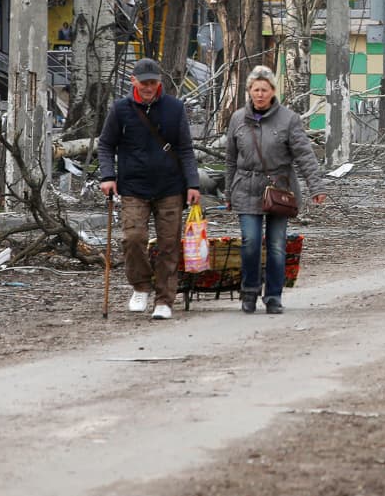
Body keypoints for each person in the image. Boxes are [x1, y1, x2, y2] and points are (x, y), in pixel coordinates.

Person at [97, 57, 201, 321]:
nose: (148, 87)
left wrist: (193, 183)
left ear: (159, 82)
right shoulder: (120, 109)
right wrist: (108, 176)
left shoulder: (175, 108)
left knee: (168, 245)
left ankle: (164, 300)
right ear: (133, 81)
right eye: (143, 83)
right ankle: (141, 285)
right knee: (132, 239)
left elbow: (185, 149)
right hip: (133, 187)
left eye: (152, 83)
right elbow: (106, 145)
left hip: (170, 187)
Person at [224, 65, 326, 314]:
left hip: (280, 189)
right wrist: (228, 194)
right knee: (250, 241)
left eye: (265, 89)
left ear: (272, 91)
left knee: (277, 245)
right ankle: (249, 292)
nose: (259, 94)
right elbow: (229, 159)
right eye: (255, 89)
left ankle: (273, 296)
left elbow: (304, 155)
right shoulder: (238, 119)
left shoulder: (288, 119)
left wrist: (316, 186)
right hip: (246, 187)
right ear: (249, 91)